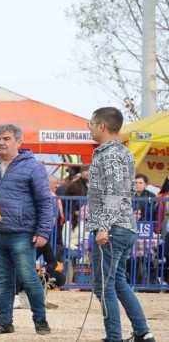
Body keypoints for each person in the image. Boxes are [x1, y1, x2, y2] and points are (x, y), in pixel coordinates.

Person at [87, 107, 155, 342]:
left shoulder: (110, 154)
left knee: (103, 287)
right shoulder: (123, 152)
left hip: (113, 229)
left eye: (91, 123)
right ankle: (143, 332)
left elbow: (115, 193)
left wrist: (103, 226)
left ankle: (113, 337)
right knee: (118, 283)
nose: (90, 127)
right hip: (123, 227)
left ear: (102, 126)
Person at [0, 124, 52, 336]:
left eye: (6, 138)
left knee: (28, 278)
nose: (1, 142)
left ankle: (40, 320)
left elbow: (45, 202)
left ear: (19, 142)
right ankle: (4, 322)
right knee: (4, 280)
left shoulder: (33, 167)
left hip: (23, 232)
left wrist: (43, 231)